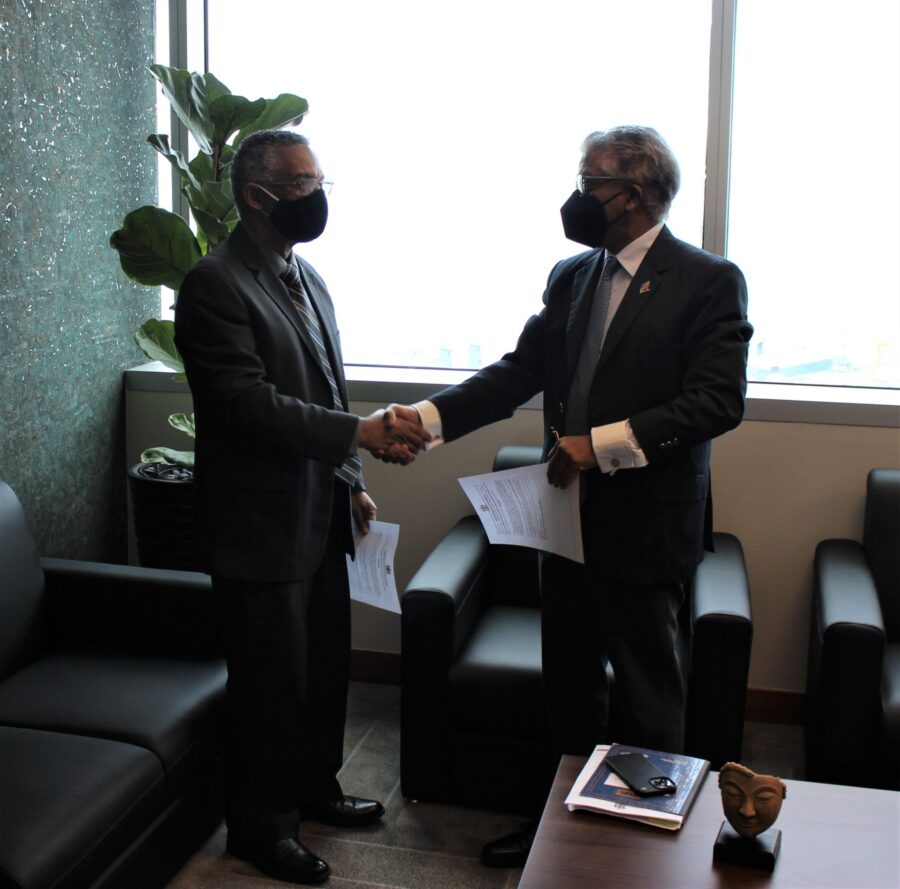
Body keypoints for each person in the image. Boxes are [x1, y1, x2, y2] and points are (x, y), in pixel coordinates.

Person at [393, 125, 753, 867]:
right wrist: (426, 419)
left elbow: (716, 402)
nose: (577, 195)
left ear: (639, 192)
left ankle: (646, 854)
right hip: (564, 524)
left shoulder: (709, 279)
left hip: (646, 527)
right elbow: (518, 370)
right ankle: (563, 839)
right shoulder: (571, 275)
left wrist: (605, 440)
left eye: (591, 182)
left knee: (650, 699)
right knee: (570, 692)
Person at [174, 129, 429, 885]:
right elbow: (248, 404)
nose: (316, 197)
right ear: (255, 196)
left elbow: (324, 388)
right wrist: (358, 435)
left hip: (319, 510)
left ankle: (316, 789)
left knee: (320, 668)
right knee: (268, 684)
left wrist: (351, 477)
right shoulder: (214, 283)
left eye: (319, 180)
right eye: (299, 184)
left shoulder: (305, 274)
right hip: (257, 523)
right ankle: (261, 829)